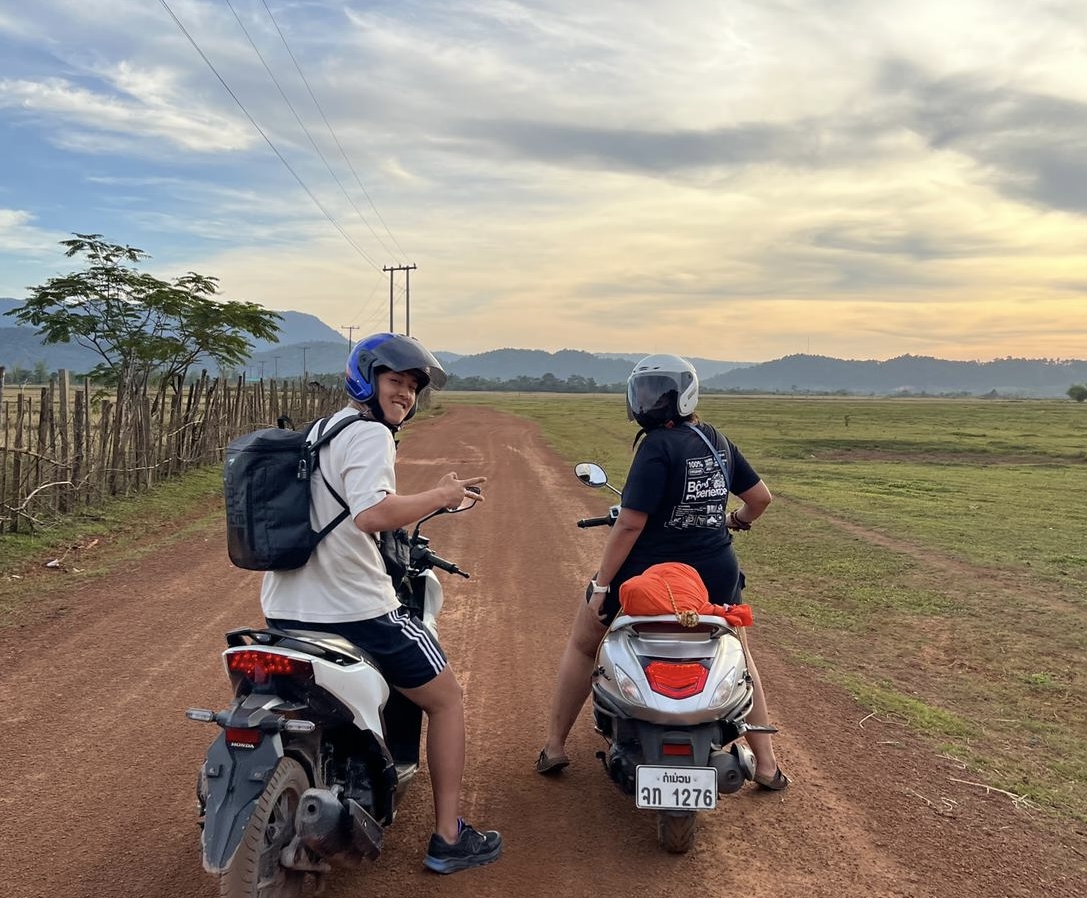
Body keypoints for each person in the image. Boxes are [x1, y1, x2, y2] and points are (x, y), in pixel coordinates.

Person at [261, 332, 502, 874]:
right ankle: (448, 835)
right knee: (446, 699)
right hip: (356, 610)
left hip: (284, 608)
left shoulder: (323, 431)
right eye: (396, 381)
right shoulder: (369, 432)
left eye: (414, 387)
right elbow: (372, 513)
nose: (406, 395)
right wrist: (442, 496)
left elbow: (347, 502)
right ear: (366, 379)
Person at [535, 353, 789, 791]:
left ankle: (555, 746)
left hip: (649, 578)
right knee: (740, 657)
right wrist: (732, 520)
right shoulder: (716, 441)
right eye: (648, 392)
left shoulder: (655, 446)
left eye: (659, 394)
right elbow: (760, 499)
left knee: (582, 645)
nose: (653, 402)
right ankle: (766, 766)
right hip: (713, 574)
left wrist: (601, 586)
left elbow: (631, 523)